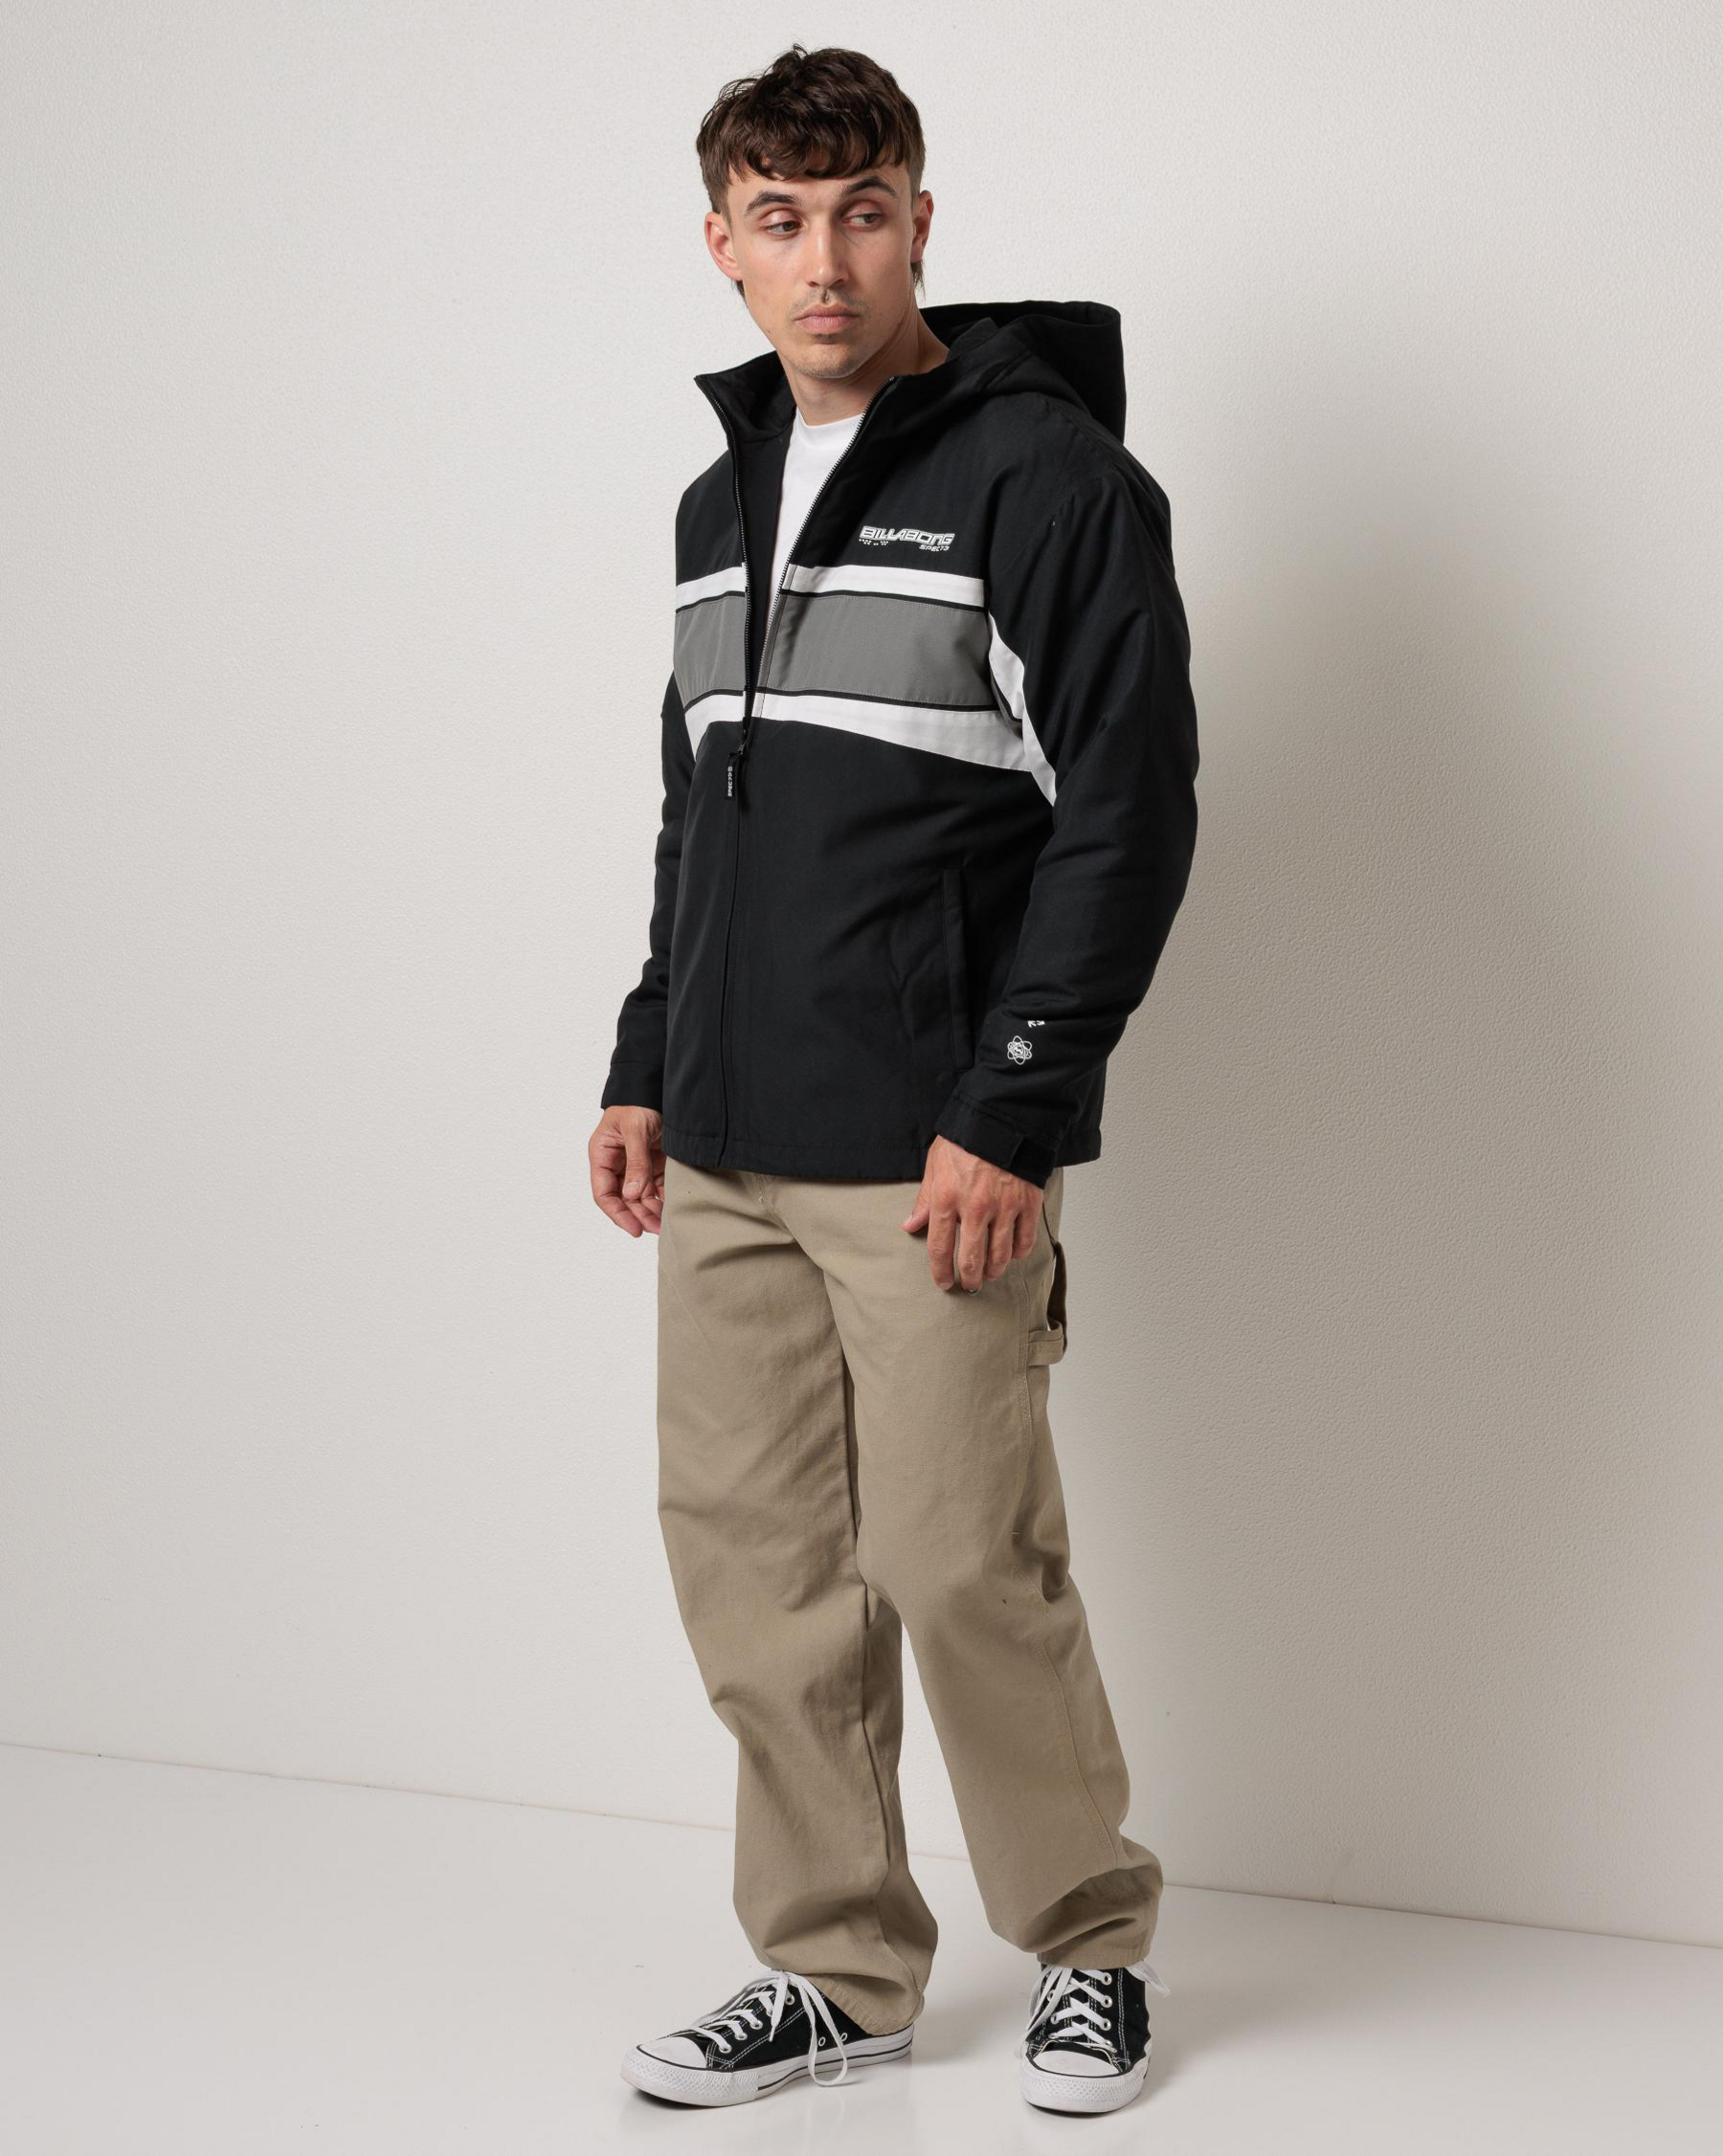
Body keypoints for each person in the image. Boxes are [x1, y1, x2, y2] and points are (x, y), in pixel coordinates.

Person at [591, 43, 1197, 2116]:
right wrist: (645, 1058)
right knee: (754, 1574)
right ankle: (836, 1967)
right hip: (728, 1142)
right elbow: (699, 816)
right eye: (780, 220)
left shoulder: (1047, 481)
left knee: (959, 1561)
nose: (825, 260)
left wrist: (1014, 1105)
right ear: (723, 243)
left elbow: (1129, 813)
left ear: (921, 219)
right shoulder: (718, 499)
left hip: (930, 1144)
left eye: (862, 212)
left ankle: (1088, 1943)